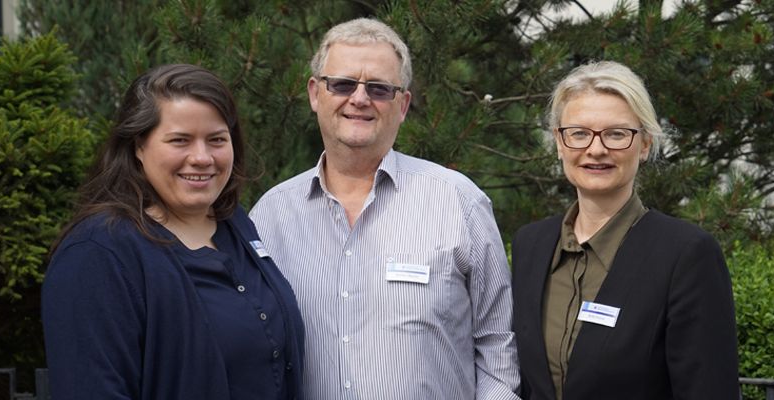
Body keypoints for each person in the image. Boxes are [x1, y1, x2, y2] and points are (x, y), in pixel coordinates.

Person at [248, 18, 520, 400]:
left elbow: (498, 348)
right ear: (314, 93)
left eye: (378, 88)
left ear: (403, 104)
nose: (359, 99)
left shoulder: (459, 203)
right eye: (342, 84)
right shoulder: (270, 218)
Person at [42, 64, 304, 400]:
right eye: (180, 140)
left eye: (216, 140)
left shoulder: (236, 224)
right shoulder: (97, 253)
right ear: (138, 146)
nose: (201, 157)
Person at [511, 60, 739, 400]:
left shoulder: (686, 254)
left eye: (617, 133)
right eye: (579, 133)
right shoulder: (531, 245)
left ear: (645, 144)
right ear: (559, 143)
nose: (596, 149)